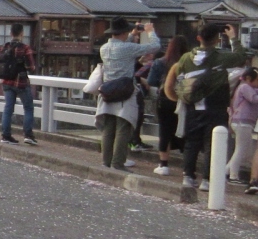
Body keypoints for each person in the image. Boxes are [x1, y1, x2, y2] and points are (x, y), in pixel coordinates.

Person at [168, 22, 248, 190]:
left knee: (192, 143)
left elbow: (179, 76)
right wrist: (233, 38)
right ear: (217, 39)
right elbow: (241, 56)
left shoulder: (185, 58)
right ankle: (207, 179)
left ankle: (188, 176)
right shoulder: (220, 57)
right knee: (213, 144)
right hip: (216, 105)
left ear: (198, 38)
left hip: (192, 105)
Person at [93, 18, 159, 170]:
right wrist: (150, 32)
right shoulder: (128, 48)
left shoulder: (104, 48)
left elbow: (121, 45)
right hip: (125, 92)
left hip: (108, 90)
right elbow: (155, 46)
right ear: (124, 32)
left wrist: (132, 34)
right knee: (124, 127)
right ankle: (118, 163)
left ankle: (106, 162)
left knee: (108, 128)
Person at [149, 35, 189, 176]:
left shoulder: (160, 62)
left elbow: (151, 81)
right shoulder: (189, 63)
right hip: (185, 100)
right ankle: (187, 167)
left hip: (165, 99)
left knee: (165, 130)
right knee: (185, 130)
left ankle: (164, 164)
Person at [0, 22, 38, 146]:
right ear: (22, 33)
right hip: (21, 82)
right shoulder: (25, 48)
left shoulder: (3, 47)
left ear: (10, 33)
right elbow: (31, 67)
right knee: (28, 108)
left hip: (6, 82)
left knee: (8, 108)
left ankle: (6, 135)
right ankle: (28, 135)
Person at [226, 66, 258, 186]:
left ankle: (224, 172)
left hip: (244, 122)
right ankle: (233, 176)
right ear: (249, 78)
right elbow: (254, 99)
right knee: (241, 150)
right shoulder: (245, 87)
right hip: (242, 121)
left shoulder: (246, 87)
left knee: (242, 149)